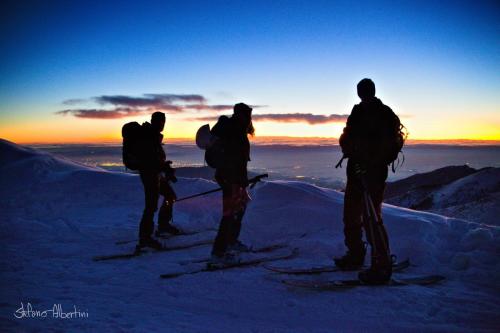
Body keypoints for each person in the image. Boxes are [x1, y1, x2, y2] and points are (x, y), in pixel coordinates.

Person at [335, 78, 402, 284]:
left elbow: (383, 145)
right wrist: (352, 154)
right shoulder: (360, 112)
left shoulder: (381, 114)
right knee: (352, 214)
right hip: (357, 171)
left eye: (362, 90)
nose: (361, 94)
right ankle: (356, 255)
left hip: (371, 173)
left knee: (371, 217)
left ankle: (381, 264)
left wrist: (367, 162)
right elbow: (347, 137)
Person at [210, 103, 254, 263]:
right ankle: (218, 252)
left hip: (234, 178)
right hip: (231, 178)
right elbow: (234, 159)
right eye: (248, 115)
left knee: (239, 210)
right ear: (243, 115)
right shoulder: (234, 130)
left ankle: (230, 242)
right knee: (229, 214)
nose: (250, 119)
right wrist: (237, 179)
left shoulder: (236, 130)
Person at [137, 111, 180, 250]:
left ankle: (163, 226)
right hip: (149, 175)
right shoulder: (149, 136)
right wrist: (165, 168)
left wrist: (165, 166)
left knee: (170, 196)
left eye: (164, 121)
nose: (163, 124)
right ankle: (145, 239)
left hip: (155, 174)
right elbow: (151, 160)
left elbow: (156, 159)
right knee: (151, 206)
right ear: (154, 121)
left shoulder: (152, 135)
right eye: (161, 121)